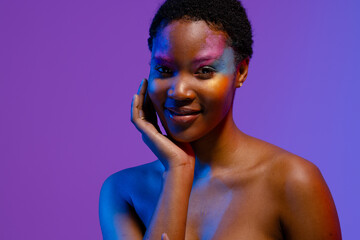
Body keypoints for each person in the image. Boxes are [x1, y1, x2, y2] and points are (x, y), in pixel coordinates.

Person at [99, 0, 342, 239]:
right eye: (164, 70)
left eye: (204, 71)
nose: (179, 91)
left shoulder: (292, 182)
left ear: (241, 71)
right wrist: (178, 169)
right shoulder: (123, 192)